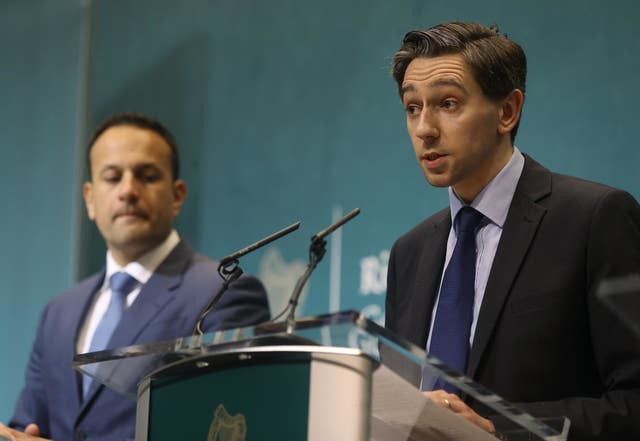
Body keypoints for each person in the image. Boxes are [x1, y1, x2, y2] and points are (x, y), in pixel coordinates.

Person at [385, 22, 640, 440]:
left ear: (507, 111)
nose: (424, 129)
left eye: (447, 103)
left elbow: (633, 401)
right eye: (413, 107)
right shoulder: (408, 253)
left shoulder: (595, 219)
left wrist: (499, 430)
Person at [2, 113, 270, 441]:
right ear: (89, 198)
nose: (128, 190)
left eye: (147, 176)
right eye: (112, 177)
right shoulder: (58, 312)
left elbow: (225, 427)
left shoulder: (224, 291)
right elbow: (27, 425)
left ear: (177, 195)